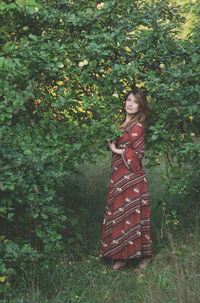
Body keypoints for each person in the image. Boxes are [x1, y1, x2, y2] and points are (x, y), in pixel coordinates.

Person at [99, 88, 152, 272]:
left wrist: (116, 150)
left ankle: (143, 257)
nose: (130, 103)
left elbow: (138, 155)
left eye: (135, 101)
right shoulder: (123, 123)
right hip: (118, 177)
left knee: (131, 216)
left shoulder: (136, 126)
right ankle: (120, 257)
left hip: (131, 179)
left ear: (140, 107)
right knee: (119, 216)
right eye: (128, 99)